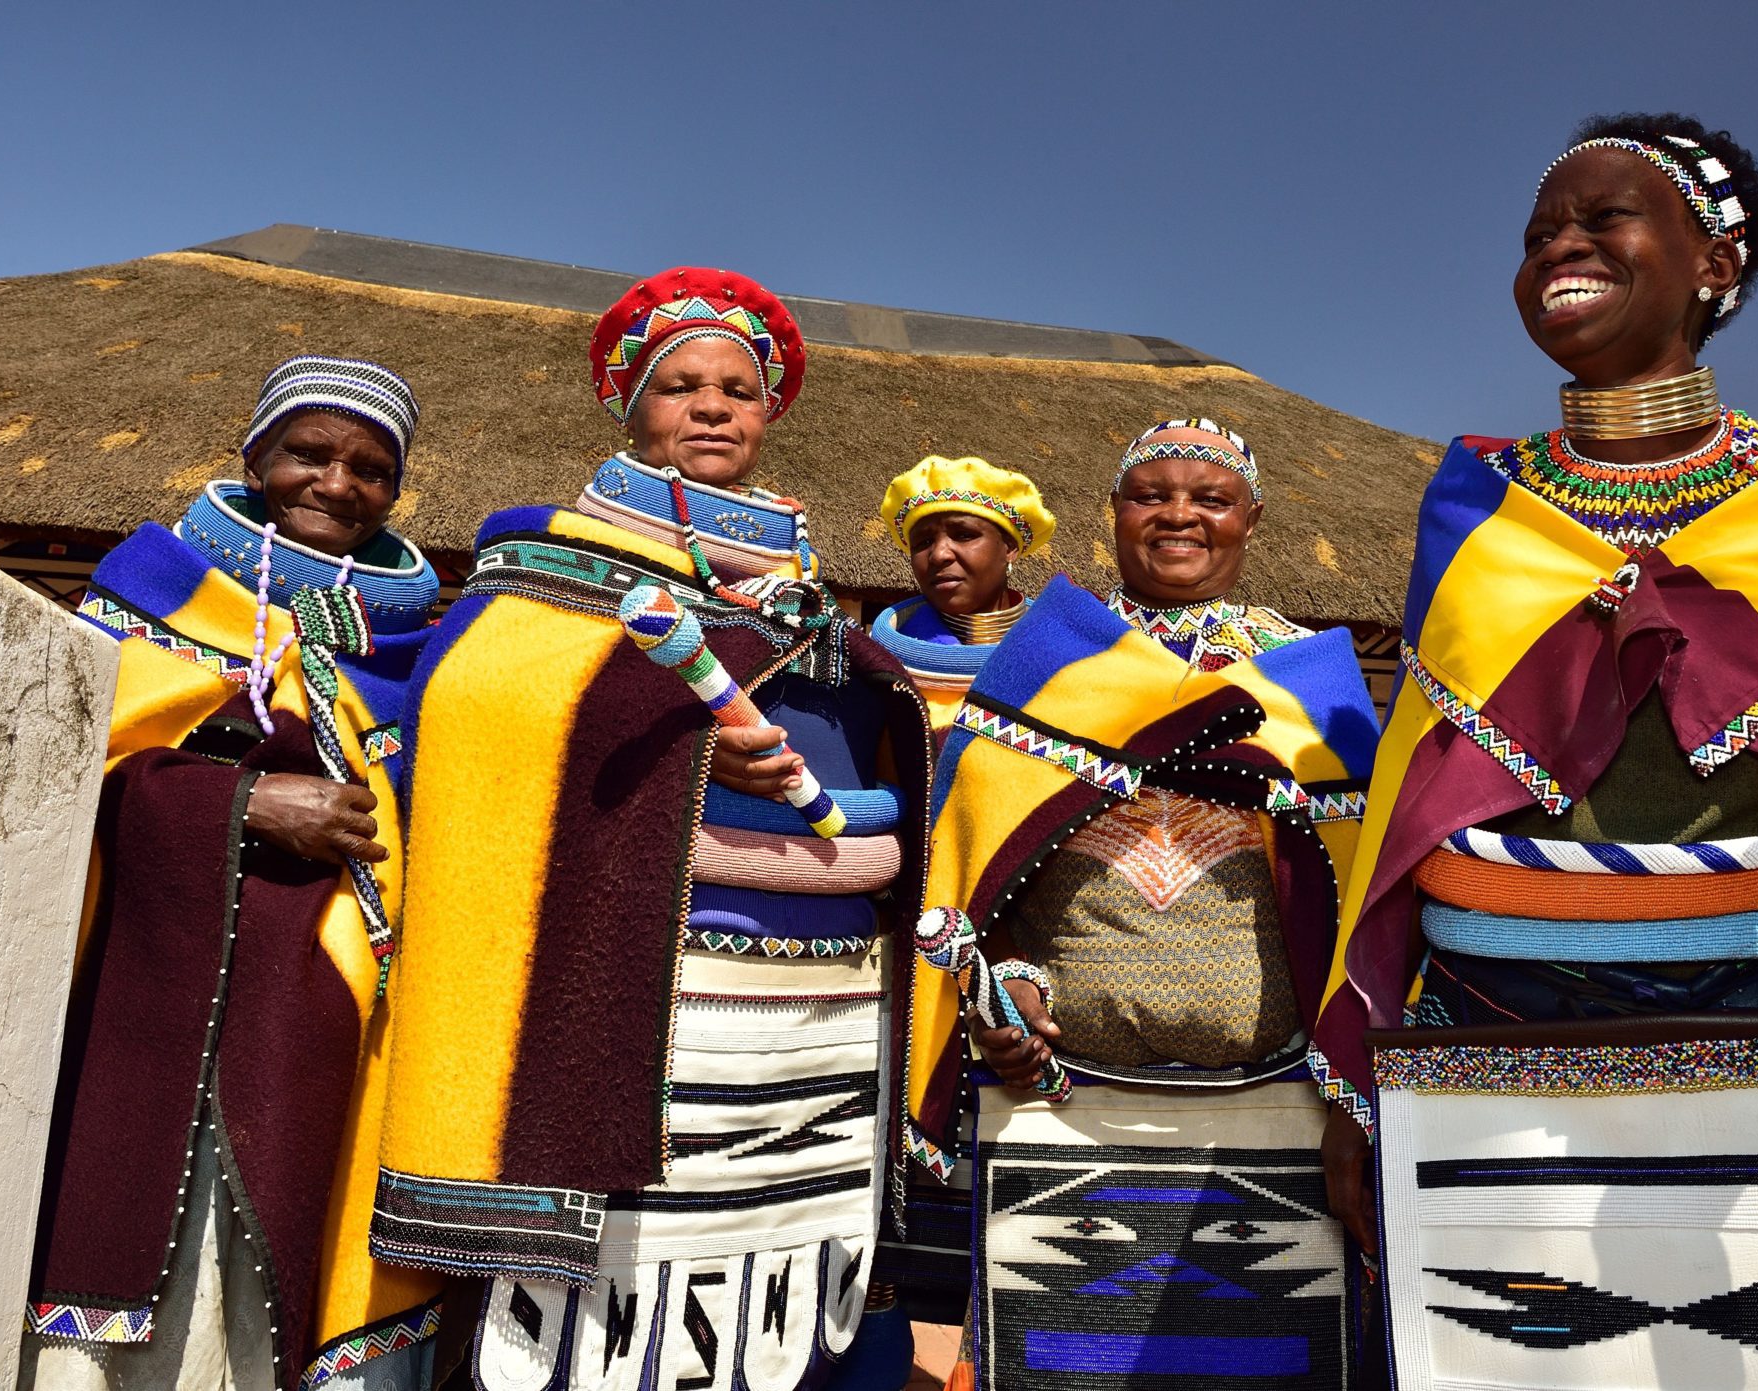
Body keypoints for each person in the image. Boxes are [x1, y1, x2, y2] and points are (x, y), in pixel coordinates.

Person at [1322, 115, 1758, 1384]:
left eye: (1601, 219)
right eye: (1539, 233)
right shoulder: (1478, 502)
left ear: (1714, 263)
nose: (1560, 248)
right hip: (1497, 1023)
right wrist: (1361, 1090)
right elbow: (1417, 790)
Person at [374, 269, 932, 1391]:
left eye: (737, 388)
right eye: (680, 386)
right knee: (602, 1310)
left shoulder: (806, 591)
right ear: (629, 406)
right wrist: (681, 749)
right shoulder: (551, 569)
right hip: (640, 992)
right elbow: (472, 714)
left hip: (821, 1014)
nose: (712, 406)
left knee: (783, 1297)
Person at [908, 419, 1382, 1389]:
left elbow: (1357, 902)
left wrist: (1355, 1097)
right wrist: (1009, 995)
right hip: (1065, 1110)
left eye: (1208, 498)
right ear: (1113, 514)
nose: (1177, 515)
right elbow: (981, 879)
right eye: (1149, 495)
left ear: (1251, 517)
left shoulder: (1310, 681)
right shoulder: (1045, 663)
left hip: (1276, 1116)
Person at [25, 356, 443, 1390]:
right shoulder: (153, 585)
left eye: (369, 468)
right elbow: (54, 775)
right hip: (147, 998)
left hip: (327, 1014)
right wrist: (241, 803)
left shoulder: (420, 642)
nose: (337, 484)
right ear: (255, 454)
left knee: (271, 1284)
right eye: (309, 452)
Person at [870, 454, 1056, 741]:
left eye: (964, 535)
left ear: (1009, 549)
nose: (940, 554)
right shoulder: (877, 669)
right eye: (924, 542)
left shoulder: (1065, 656)